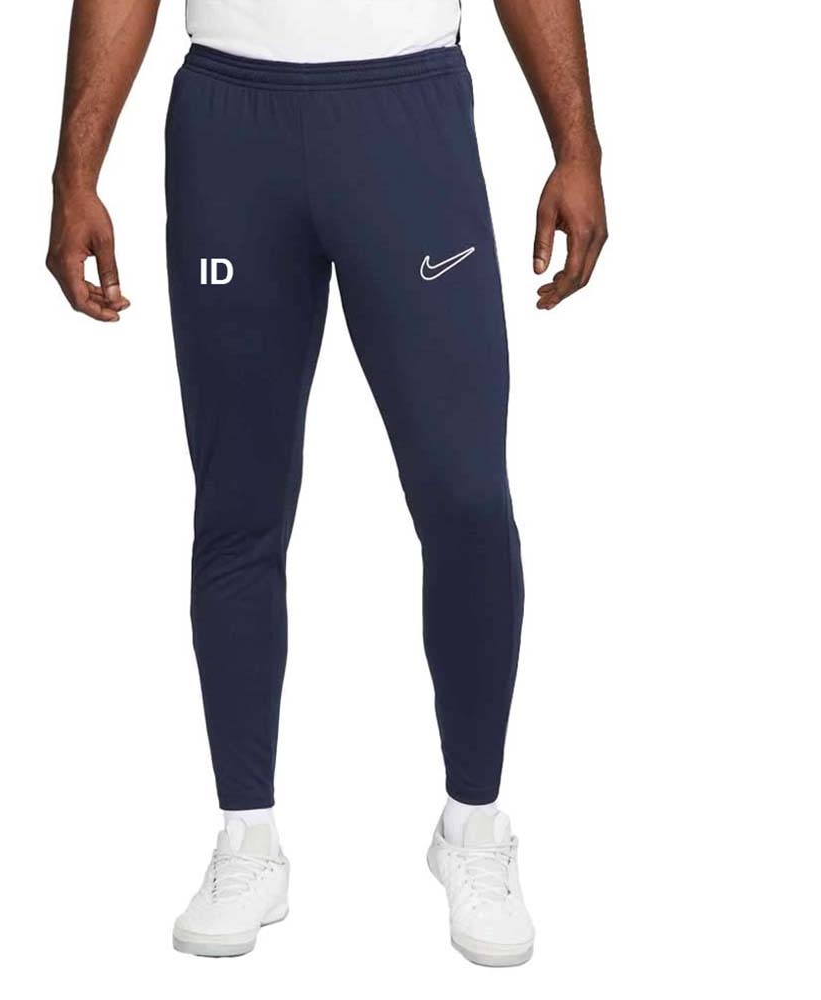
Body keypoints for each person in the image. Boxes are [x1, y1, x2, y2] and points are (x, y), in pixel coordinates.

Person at [47, 0, 606, 967]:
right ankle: (247, 840)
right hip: (230, 120)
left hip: (407, 112)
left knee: (467, 498)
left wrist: (578, 147)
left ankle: (473, 825)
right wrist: (75, 173)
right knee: (238, 504)